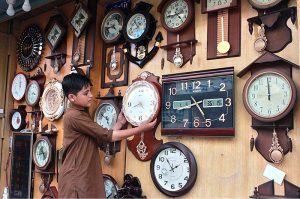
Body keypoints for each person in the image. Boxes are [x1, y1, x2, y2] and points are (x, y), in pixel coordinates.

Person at [58, 73, 157, 198]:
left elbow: (100, 138)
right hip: (76, 181)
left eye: (90, 91)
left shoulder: (80, 113)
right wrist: (141, 128)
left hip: (82, 177)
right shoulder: (74, 116)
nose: (91, 95)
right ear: (72, 97)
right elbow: (109, 136)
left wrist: (119, 123)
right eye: (86, 93)